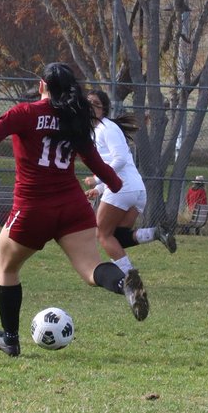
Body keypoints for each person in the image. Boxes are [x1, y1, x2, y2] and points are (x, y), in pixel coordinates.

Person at [0, 62, 149, 358]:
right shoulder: (74, 119)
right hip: (72, 207)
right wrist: (114, 183)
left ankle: (11, 339)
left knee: (7, 267)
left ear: (41, 84)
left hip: (33, 208)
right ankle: (124, 283)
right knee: (91, 268)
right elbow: (94, 160)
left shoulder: (24, 114)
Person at [82, 90, 176, 279]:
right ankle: (155, 232)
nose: (90, 107)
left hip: (124, 189)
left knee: (103, 235)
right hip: (134, 190)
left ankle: (129, 278)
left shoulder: (106, 128)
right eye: (87, 102)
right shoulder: (97, 131)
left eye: (95, 104)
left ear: (104, 109)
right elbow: (116, 164)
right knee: (117, 237)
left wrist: (98, 179)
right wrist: (99, 189)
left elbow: (120, 160)